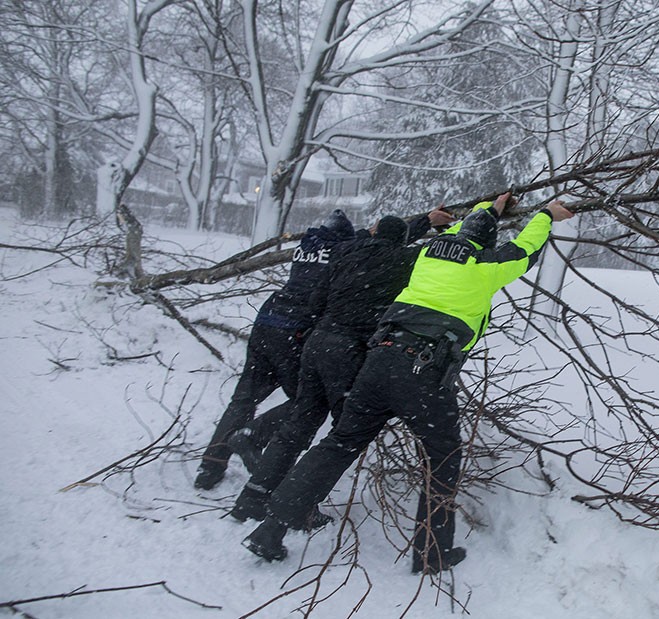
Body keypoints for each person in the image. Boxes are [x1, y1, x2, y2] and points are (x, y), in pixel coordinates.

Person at [242, 192, 574, 573]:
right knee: (442, 456)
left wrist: (490, 209)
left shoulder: (428, 256)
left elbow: (473, 232)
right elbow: (525, 250)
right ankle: (431, 553)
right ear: (485, 247)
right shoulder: (486, 266)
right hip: (421, 371)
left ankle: (271, 529)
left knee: (340, 443)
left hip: (378, 361)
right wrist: (546, 215)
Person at [228, 208, 456, 525]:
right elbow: (439, 254)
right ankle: (296, 507)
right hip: (348, 353)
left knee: (299, 424)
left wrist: (424, 222)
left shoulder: (345, 251)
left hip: (316, 345)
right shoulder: (405, 261)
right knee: (340, 439)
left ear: (374, 233)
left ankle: (252, 498)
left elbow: (316, 302)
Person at [193, 210, 356, 490]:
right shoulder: (341, 252)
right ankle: (251, 435)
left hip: (268, 321)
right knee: (308, 400)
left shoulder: (307, 245)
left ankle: (210, 467)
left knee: (244, 398)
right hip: (294, 329)